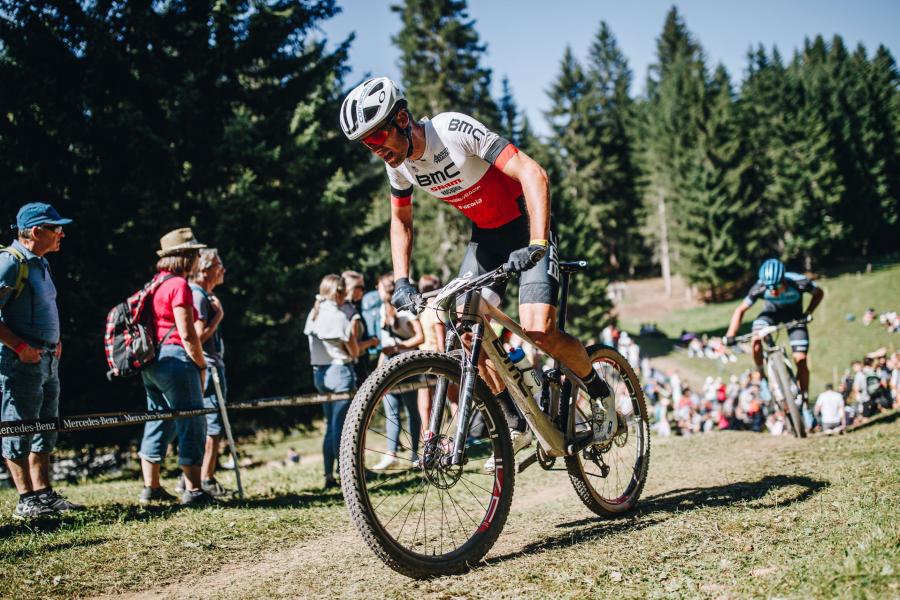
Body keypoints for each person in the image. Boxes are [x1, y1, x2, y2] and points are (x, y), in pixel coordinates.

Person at [339, 77, 617, 462]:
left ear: (401, 118)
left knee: (539, 328)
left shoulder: (451, 129)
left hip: (525, 226)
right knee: (466, 328)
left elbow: (533, 173)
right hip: (486, 239)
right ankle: (514, 421)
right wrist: (401, 278)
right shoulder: (399, 166)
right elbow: (401, 221)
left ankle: (601, 393)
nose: (376, 150)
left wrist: (537, 243)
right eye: (367, 145)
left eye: (378, 137)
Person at [0, 202, 83, 518]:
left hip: (47, 359)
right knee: (18, 424)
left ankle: (44, 494)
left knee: (47, 425)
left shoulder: (42, 264)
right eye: (56, 228)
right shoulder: (10, 263)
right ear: (36, 231)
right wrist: (19, 346)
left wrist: (55, 341)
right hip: (22, 361)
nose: (61, 233)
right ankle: (26, 499)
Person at [138, 228, 211, 506]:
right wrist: (200, 363)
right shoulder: (179, 285)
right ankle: (193, 489)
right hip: (177, 361)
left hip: (152, 361)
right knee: (193, 420)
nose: (197, 258)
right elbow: (187, 332)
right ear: (184, 257)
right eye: (194, 254)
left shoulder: (155, 283)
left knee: (158, 419)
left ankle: (151, 486)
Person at [724, 258, 824, 402]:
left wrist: (808, 312)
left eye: (776, 287)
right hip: (770, 315)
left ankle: (804, 398)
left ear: (783, 280)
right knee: (756, 337)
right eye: (769, 288)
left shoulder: (799, 282)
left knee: (801, 359)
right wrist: (730, 334)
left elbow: (819, 293)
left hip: (795, 317)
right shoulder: (760, 286)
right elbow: (740, 310)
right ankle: (761, 373)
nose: (773, 291)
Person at [185, 248, 232, 498]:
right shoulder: (199, 296)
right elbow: (198, 336)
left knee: (209, 422)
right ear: (204, 269)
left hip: (210, 364)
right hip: (209, 366)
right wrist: (218, 317)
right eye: (219, 265)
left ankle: (200, 477)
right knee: (212, 423)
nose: (223, 270)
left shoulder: (202, 294)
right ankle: (206, 478)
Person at [304, 274, 359, 489]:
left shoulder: (314, 313)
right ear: (338, 292)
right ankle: (346, 474)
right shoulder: (338, 317)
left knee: (330, 426)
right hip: (339, 372)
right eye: (344, 293)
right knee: (343, 428)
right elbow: (353, 351)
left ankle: (329, 474)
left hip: (319, 373)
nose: (346, 297)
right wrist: (351, 351)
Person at [372, 274, 425, 471]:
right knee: (391, 409)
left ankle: (415, 454)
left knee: (411, 410)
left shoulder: (404, 310)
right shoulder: (380, 310)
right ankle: (391, 453)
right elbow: (386, 345)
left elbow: (420, 337)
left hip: (406, 364)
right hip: (389, 364)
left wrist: (398, 348)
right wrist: (379, 370)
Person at [340, 271, 380, 386]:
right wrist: (372, 342)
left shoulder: (339, 308)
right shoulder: (352, 313)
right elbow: (354, 347)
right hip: (355, 368)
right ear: (351, 288)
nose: (363, 291)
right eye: (361, 287)